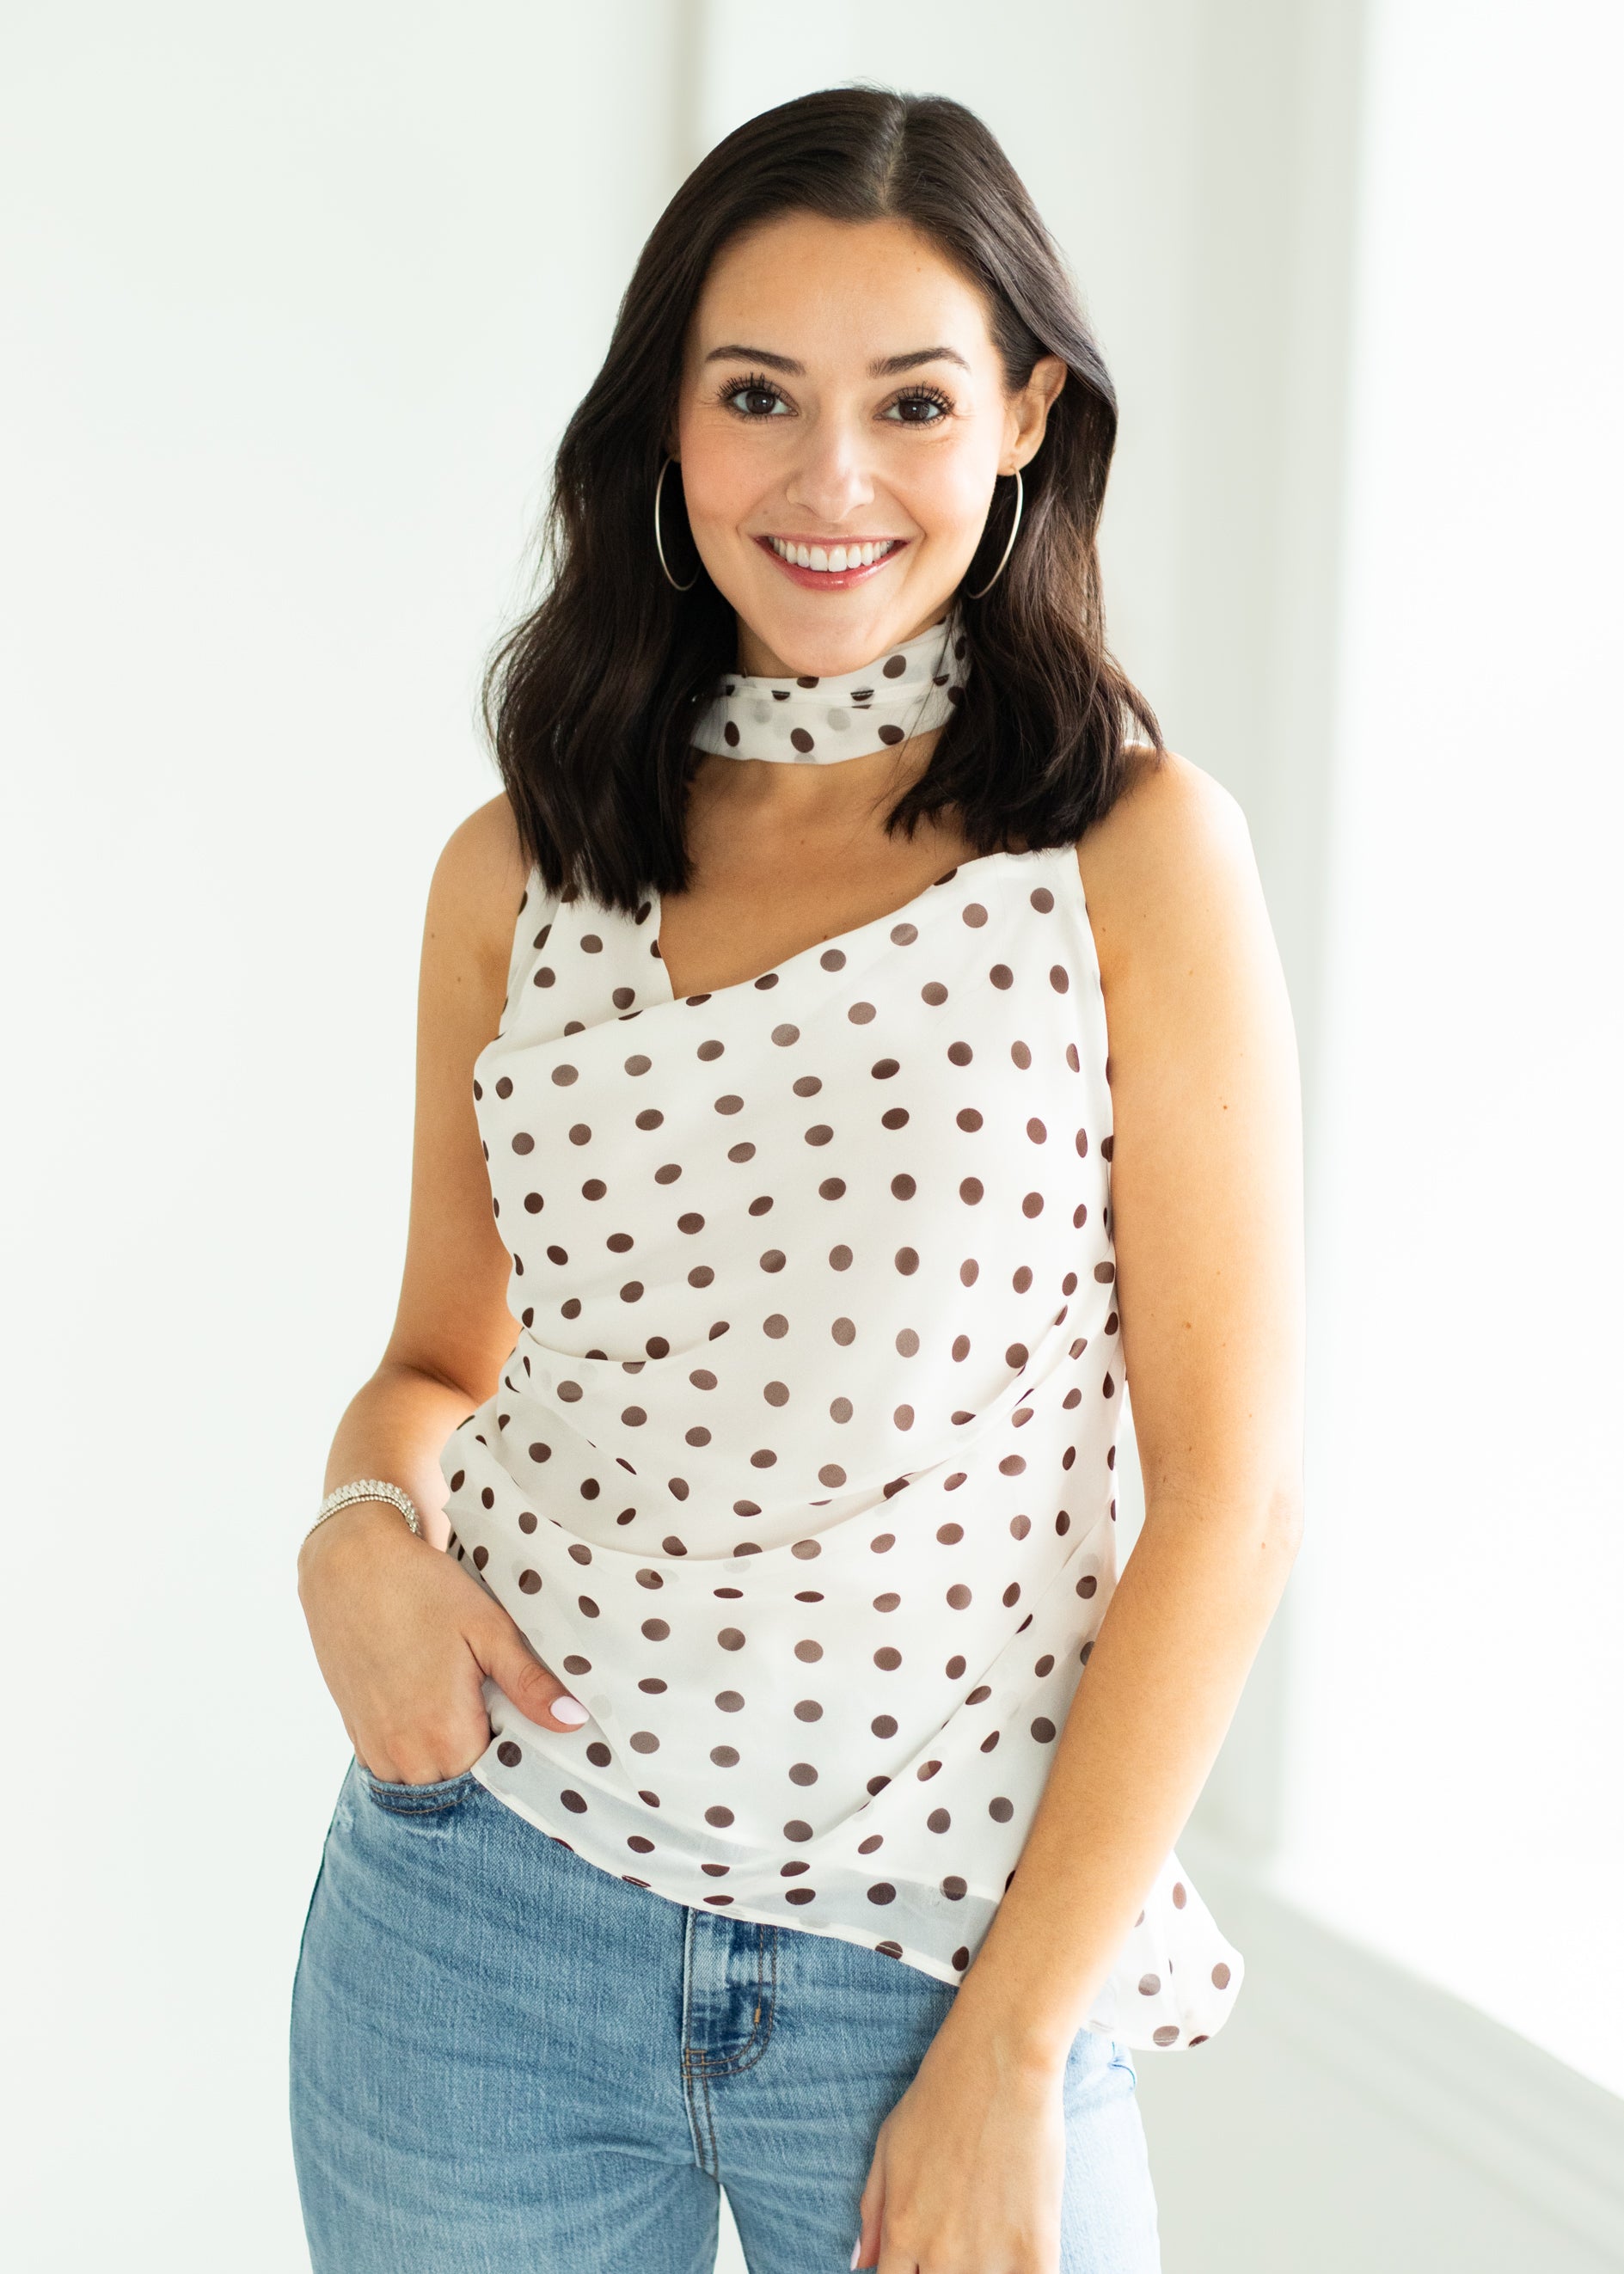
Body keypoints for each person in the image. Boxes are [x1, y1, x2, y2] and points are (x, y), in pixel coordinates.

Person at [288, 84, 1303, 2274]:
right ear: (670, 418)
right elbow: (435, 1365)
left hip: (938, 1967)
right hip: (482, 1933)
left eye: (914, 402)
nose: (830, 484)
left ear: (1026, 415)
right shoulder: (523, 871)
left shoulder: (1129, 859)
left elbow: (1231, 1499)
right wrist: (364, 1528)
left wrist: (1018, 2049)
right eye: (760, 397)